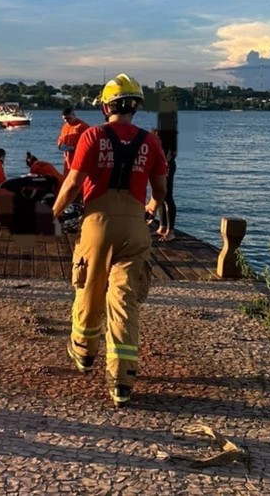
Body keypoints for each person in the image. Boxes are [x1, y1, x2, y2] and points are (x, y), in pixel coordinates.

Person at [51, 74, 167, 408]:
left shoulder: (92, 135)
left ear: (106, 106)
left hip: (97, 223)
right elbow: (159, 190)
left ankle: (84, 354)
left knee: (88, 289)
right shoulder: (151, 142)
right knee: (124, 302)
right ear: (135, 107)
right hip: (134, 225)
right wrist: (151, 209)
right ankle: (121, 382)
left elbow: (74, 182)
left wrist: (53, 214)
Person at [153, 126, 178, 242]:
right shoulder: (158, 138)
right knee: (160, 197)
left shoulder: (170, 141)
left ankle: (170, 231)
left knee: (167, 197)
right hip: (162, 167)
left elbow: (170, 157)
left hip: (167, 167)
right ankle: (162, 226)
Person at [56, 107, 90, 175]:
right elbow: (60, 139)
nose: (66, 121)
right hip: (67, 159)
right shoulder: (65, 126)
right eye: (64, 119)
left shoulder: (83, 126)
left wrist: (74, 148)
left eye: (68, 118)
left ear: (73, 115)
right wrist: (60, 146)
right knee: (66, 178)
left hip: (78, 159)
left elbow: (88, 143)